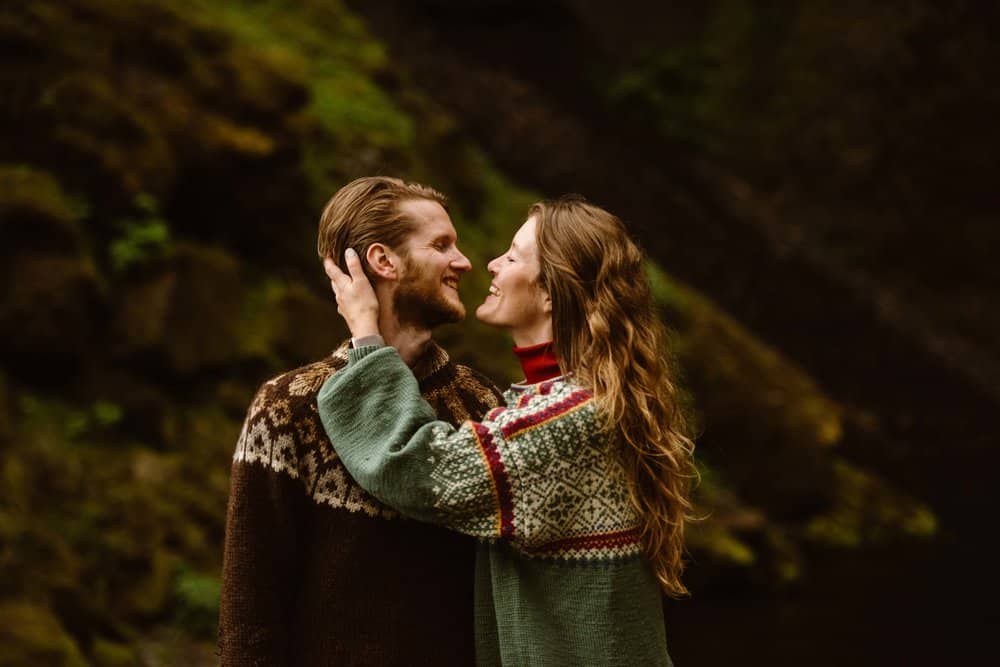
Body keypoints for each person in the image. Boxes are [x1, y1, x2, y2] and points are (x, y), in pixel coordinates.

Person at [317, 195, 696, 666]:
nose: (491, 265)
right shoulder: (571, 401)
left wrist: (367, 339)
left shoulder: (573, 419)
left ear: (551, 292)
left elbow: (422, 470)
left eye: (514, 256)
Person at [218, 176, 503, 665]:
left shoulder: (483, 406)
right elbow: (250, 613)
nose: (464, 261)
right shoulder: (288, 407)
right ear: (383, 261)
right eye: (441, 245)